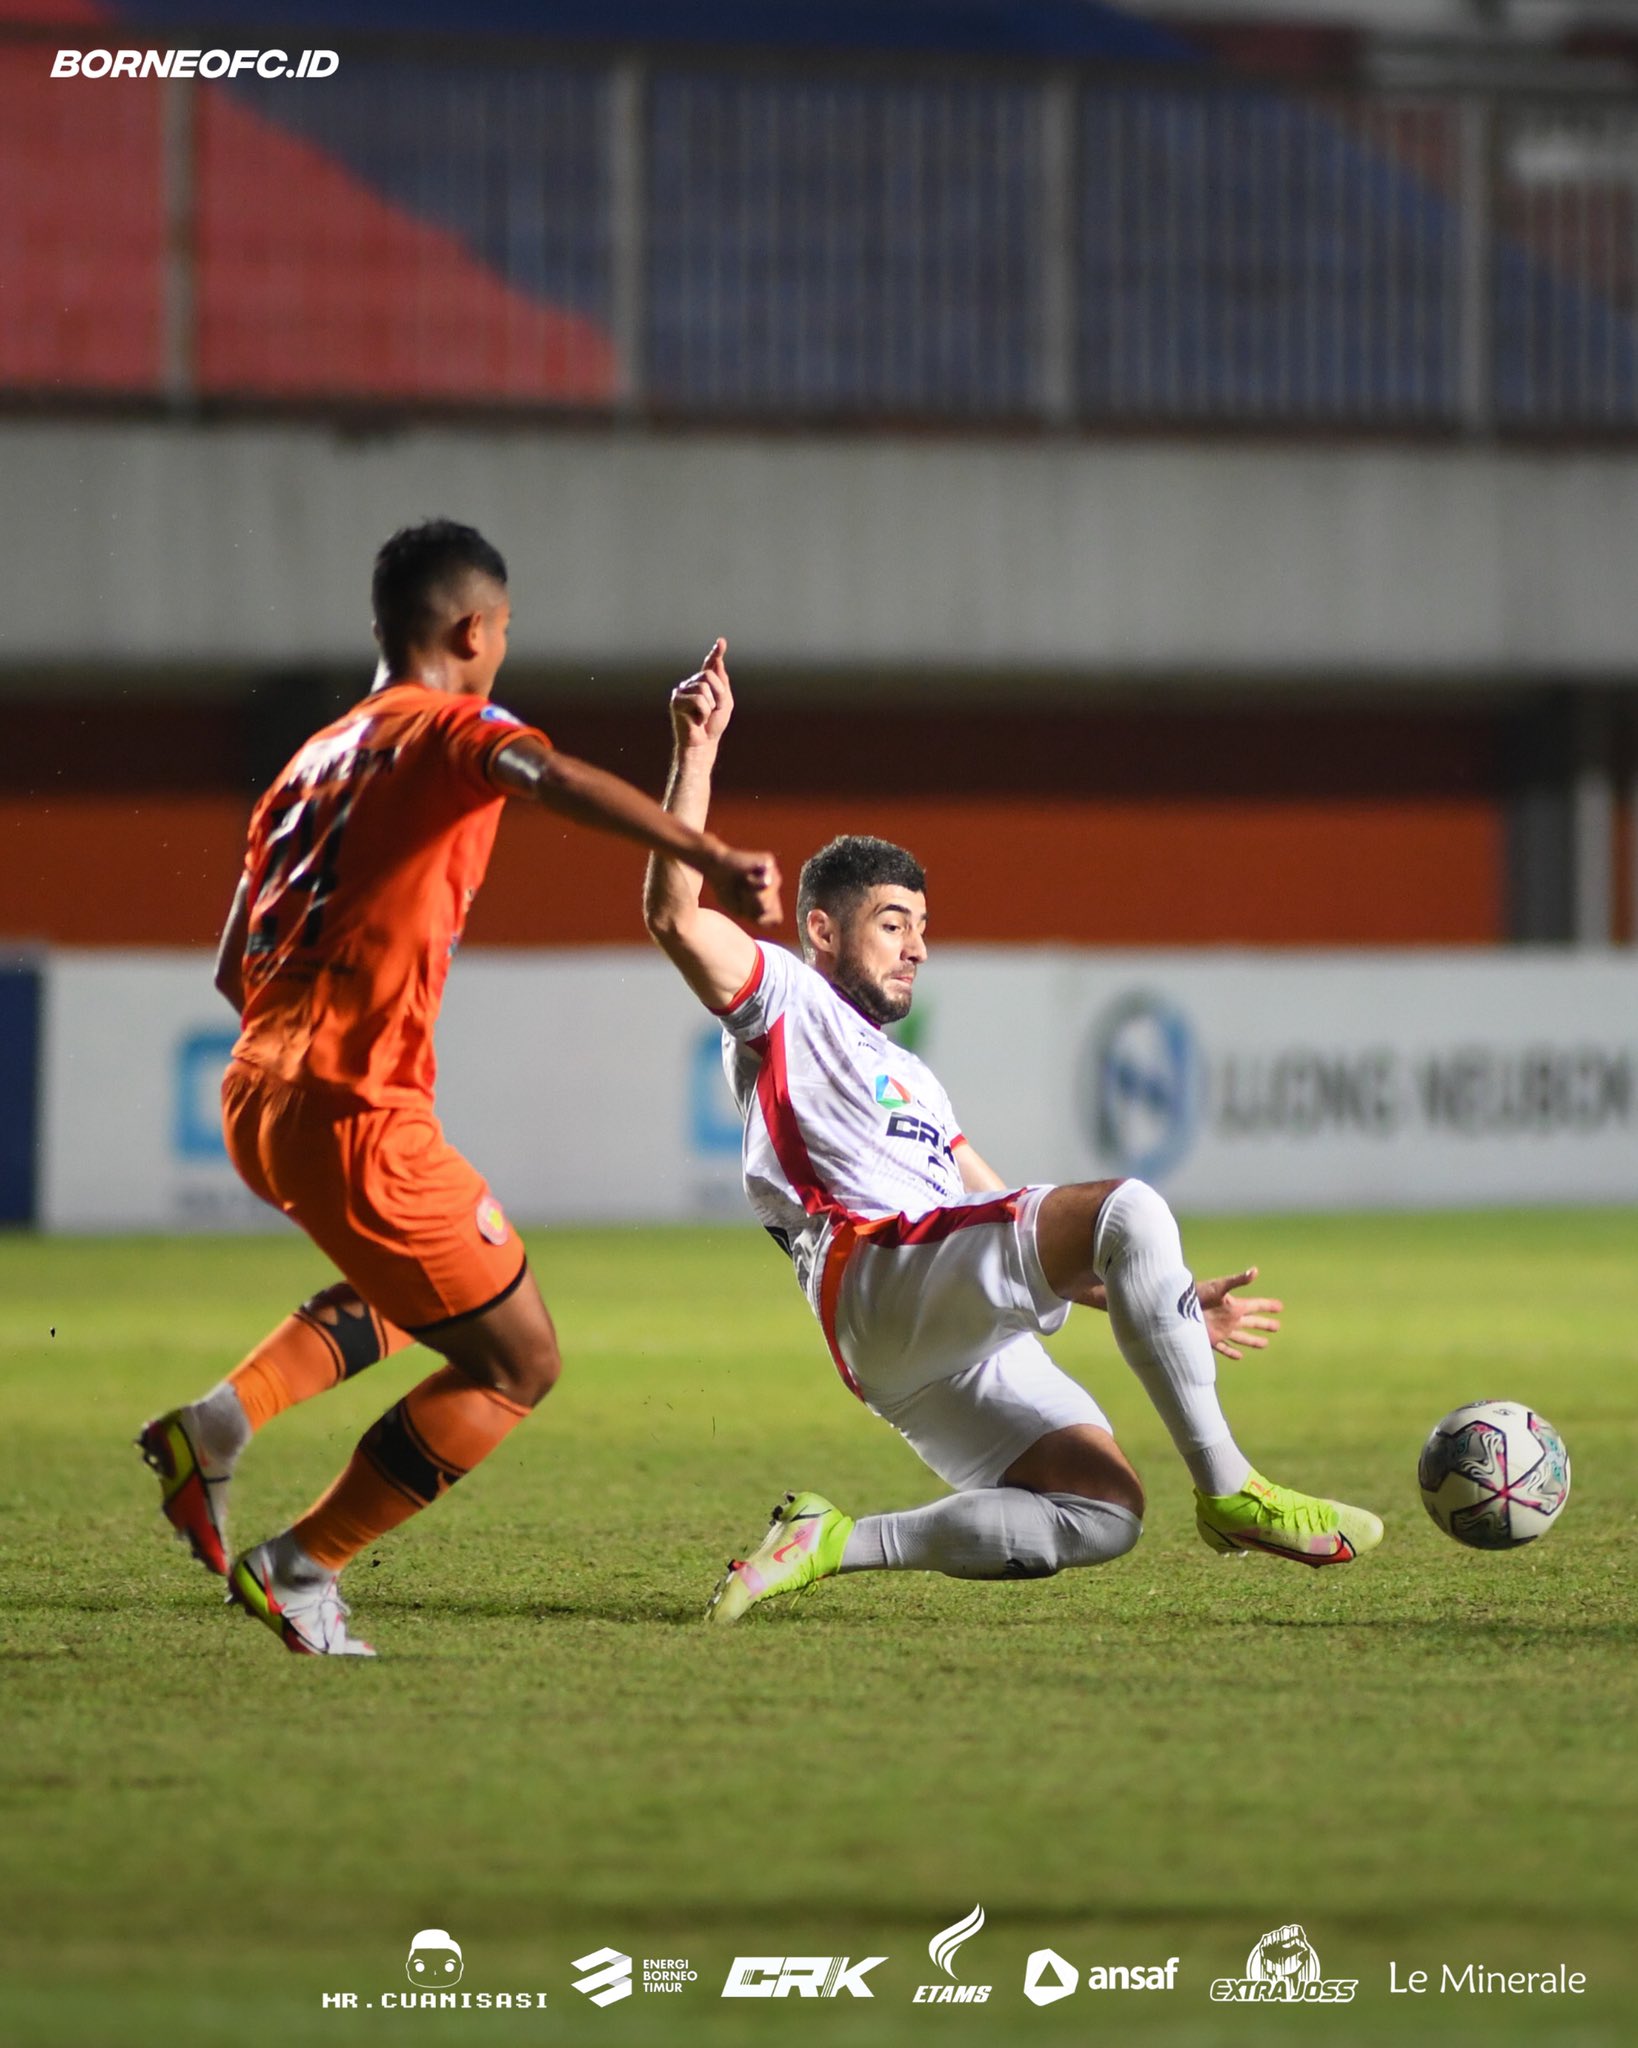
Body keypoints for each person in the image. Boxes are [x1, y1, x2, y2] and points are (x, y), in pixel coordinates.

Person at [139, 521, 781, 1655]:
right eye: (505, 635)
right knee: (520, 1356)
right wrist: (711, 848)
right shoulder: (452, 726)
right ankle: (300, 1567)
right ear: (471, 628)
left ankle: (218, 1423)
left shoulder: (304, 764)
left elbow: (231, 960)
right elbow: (556, 776)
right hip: (353, 1110)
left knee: (428, 1291)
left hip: (256, 1094)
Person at [641, 641, 1382, 1621]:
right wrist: (698, 750)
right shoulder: (782, 998)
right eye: (894, 921)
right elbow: (671, 912)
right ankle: (1232, 1485)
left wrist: (1156, 1292)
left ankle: (832, 1540)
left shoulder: (915, 1080)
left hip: (931, 1330)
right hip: (876, 1271)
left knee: (1101, 1512)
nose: (919, 946)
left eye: (923, 925)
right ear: (820, 928)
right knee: (1128, 1202)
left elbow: (995, 1206)